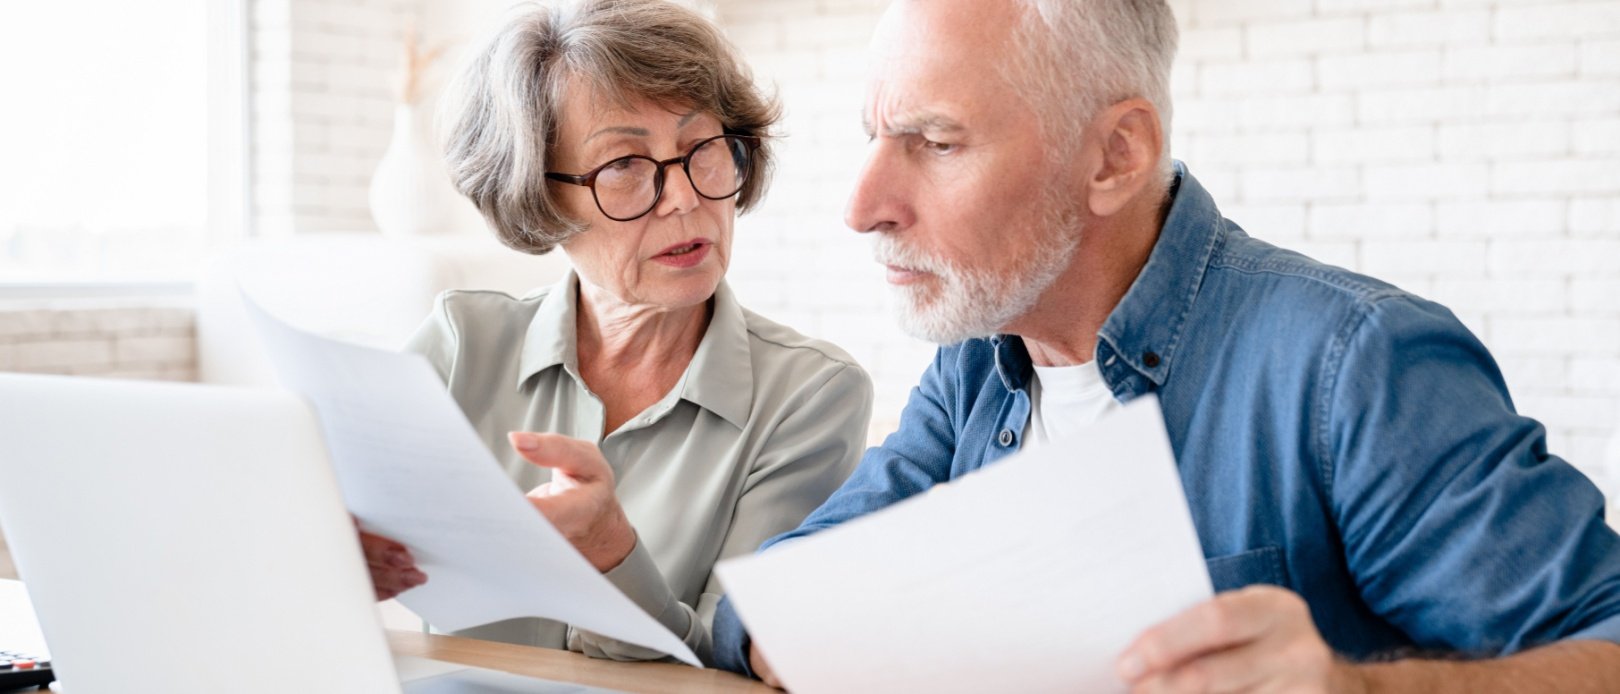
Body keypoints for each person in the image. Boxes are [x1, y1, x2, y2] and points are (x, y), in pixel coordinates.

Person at [711, 0, 1620, 691]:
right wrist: (798, 636)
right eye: (875, 138)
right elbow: (780, 595)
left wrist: (1355, 686)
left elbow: (1604, 641)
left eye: (936, 142)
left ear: (1115, 155)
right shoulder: (980, 363)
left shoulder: (1353, 363)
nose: (863, 206)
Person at [356, 0, 872, 666]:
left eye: (702, 150)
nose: (684, 198)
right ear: (538, 196)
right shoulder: (460, 347)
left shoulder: (810, 396)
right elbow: (315, 540)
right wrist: (336, 552)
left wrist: (613, 557)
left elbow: (743, 661)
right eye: (623, 166)